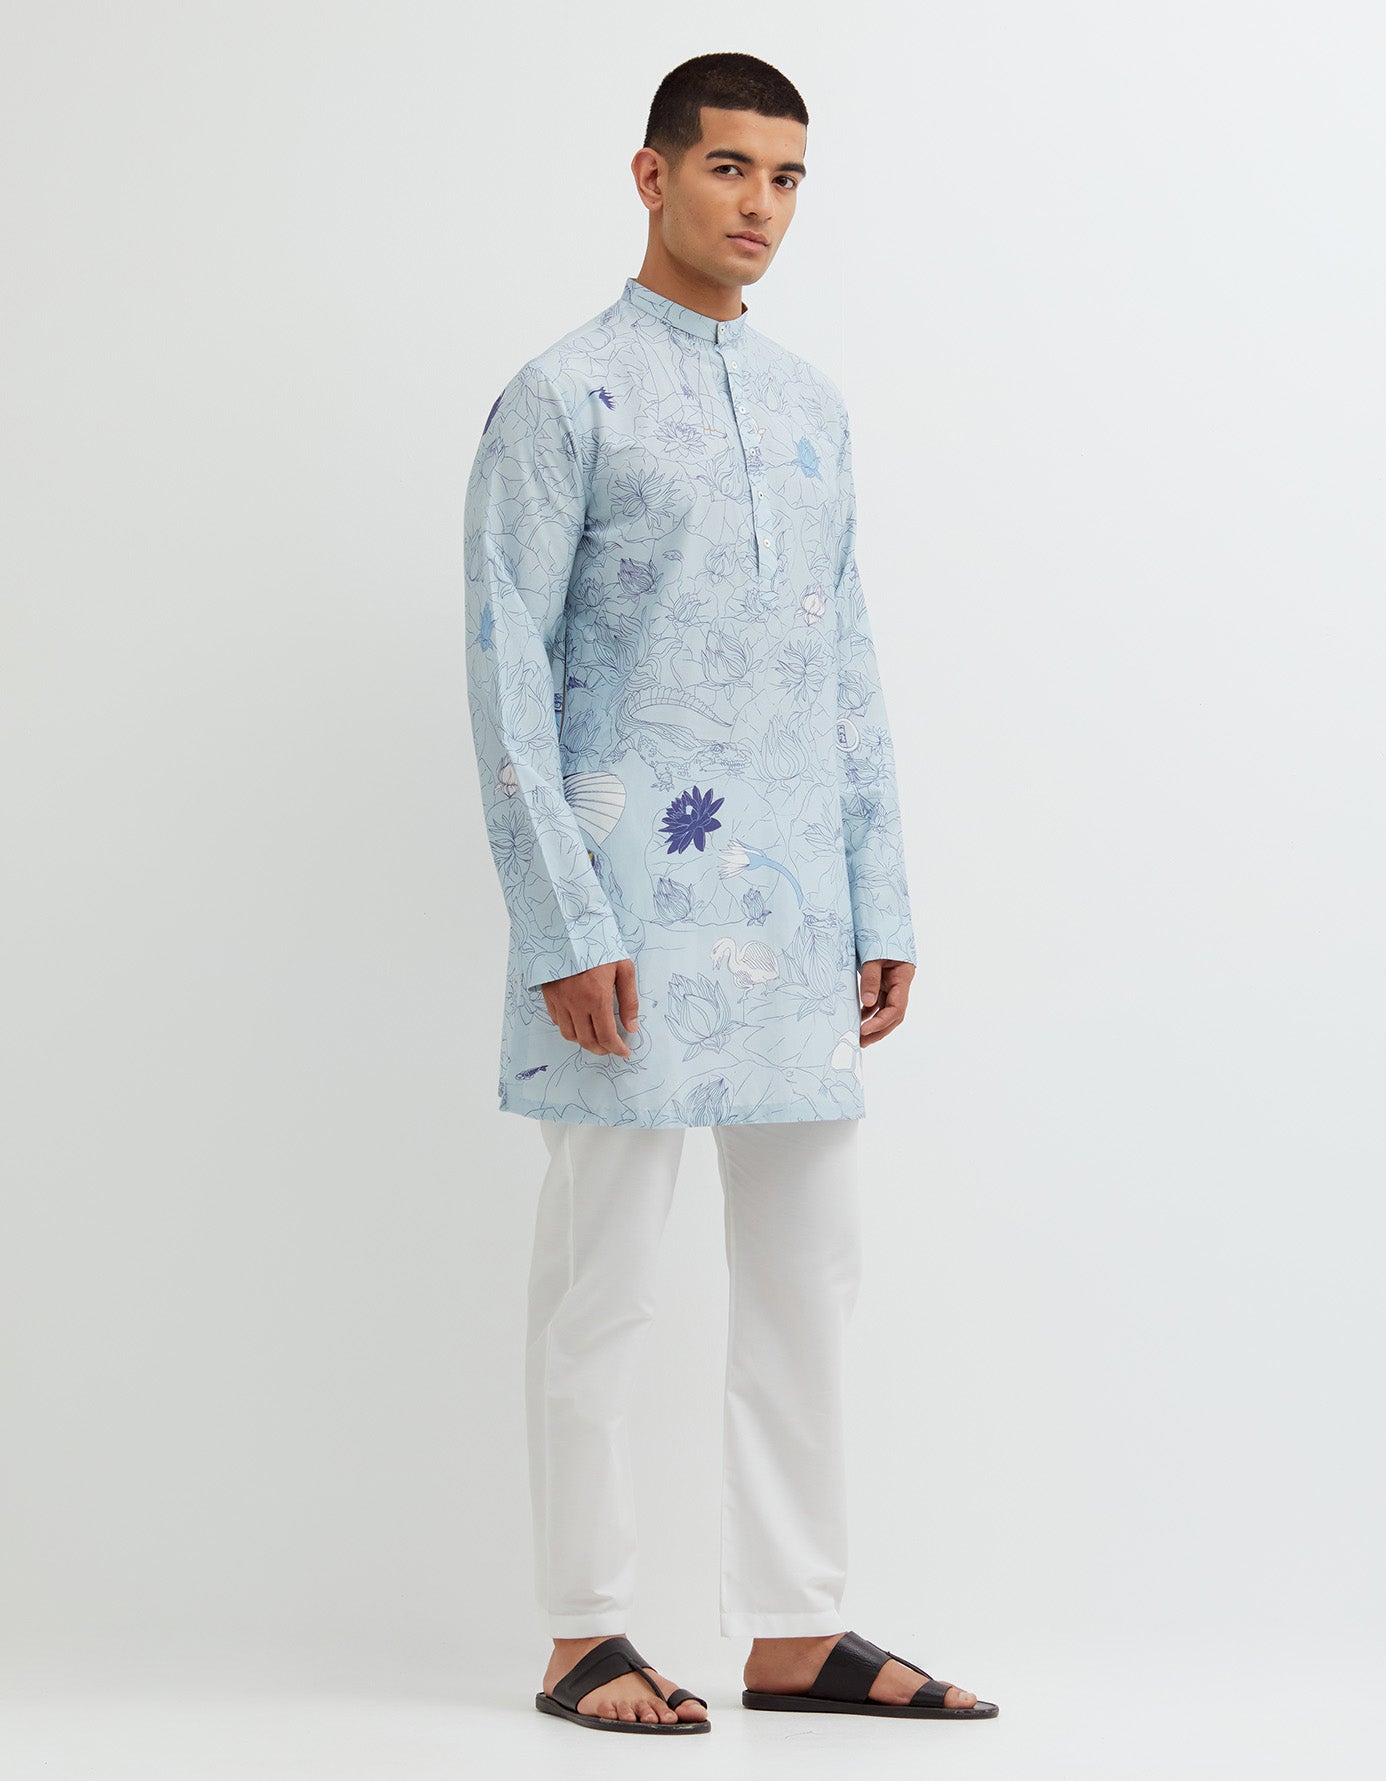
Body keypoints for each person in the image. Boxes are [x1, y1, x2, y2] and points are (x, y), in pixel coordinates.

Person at [463, 52, 998, 1735]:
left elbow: (848, 666)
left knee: (806, 1271)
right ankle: (582, 1629)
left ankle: (792, 1624)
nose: (759, 205)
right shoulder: (560, 397)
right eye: (727, 169)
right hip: (623, 912)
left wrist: (879, 895)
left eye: (785, 177)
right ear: (651, 175)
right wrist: (564, 922)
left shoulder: (813, 408)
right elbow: (506, 678)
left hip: (793, 916)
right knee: (606, 1278)